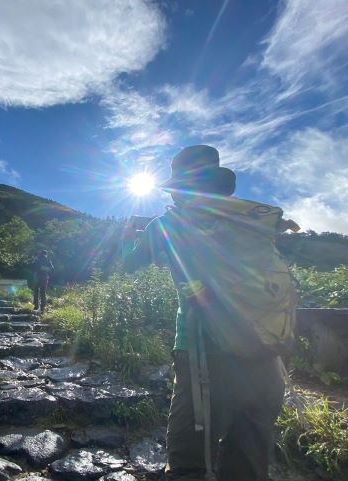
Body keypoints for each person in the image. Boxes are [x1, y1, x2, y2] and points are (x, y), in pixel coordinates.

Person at [124, 145, 296, 481]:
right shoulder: (250, 223)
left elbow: (130, 263)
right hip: (264, 353)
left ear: (178, 188)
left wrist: (127, 238)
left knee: (189, 462)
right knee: (248, 463)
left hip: (204, 354)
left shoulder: (168, 224)